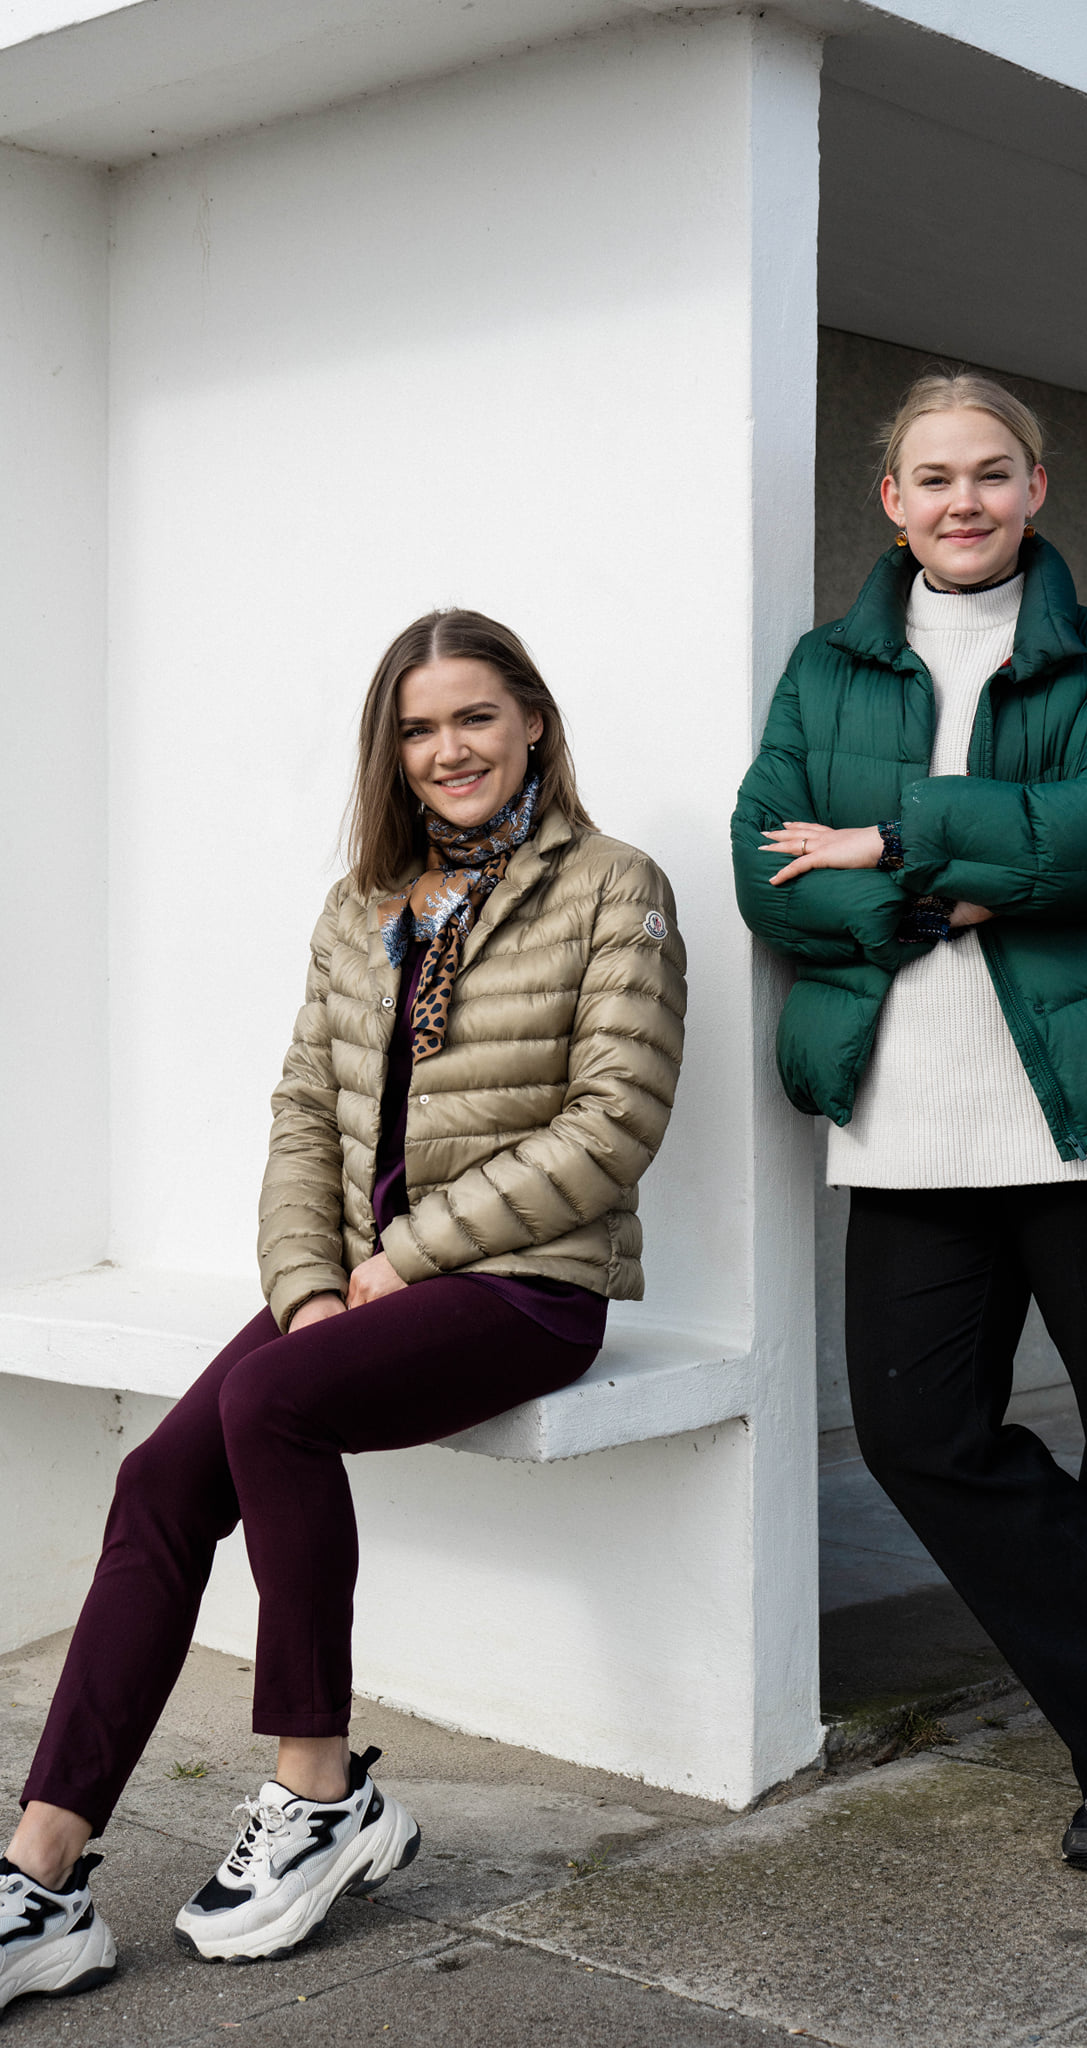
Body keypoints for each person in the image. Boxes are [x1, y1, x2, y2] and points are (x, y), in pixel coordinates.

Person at [0, 609, 686, 2009]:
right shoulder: (364, 902)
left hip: (529, 1282)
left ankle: (319, 1796)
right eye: (419, 729)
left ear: (534, 721)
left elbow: (615, 1120)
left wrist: (411, 1254)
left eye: (475, 718)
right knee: (159, 1477)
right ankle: (45, 1872)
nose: (449, 751)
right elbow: (304, 1115)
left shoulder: (614, 884)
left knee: (269, 1404)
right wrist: (310, 1283)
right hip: (361, 1284)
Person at [731, 369, 1087, 1878]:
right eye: (931, 478)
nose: (962, 501)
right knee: (921, 1433)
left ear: (1034, 488)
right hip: (904, 1116)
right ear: (890, 501)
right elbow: (763, 867)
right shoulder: (824, 671)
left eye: (990, 473)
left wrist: (900, 831)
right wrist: (974, 880)